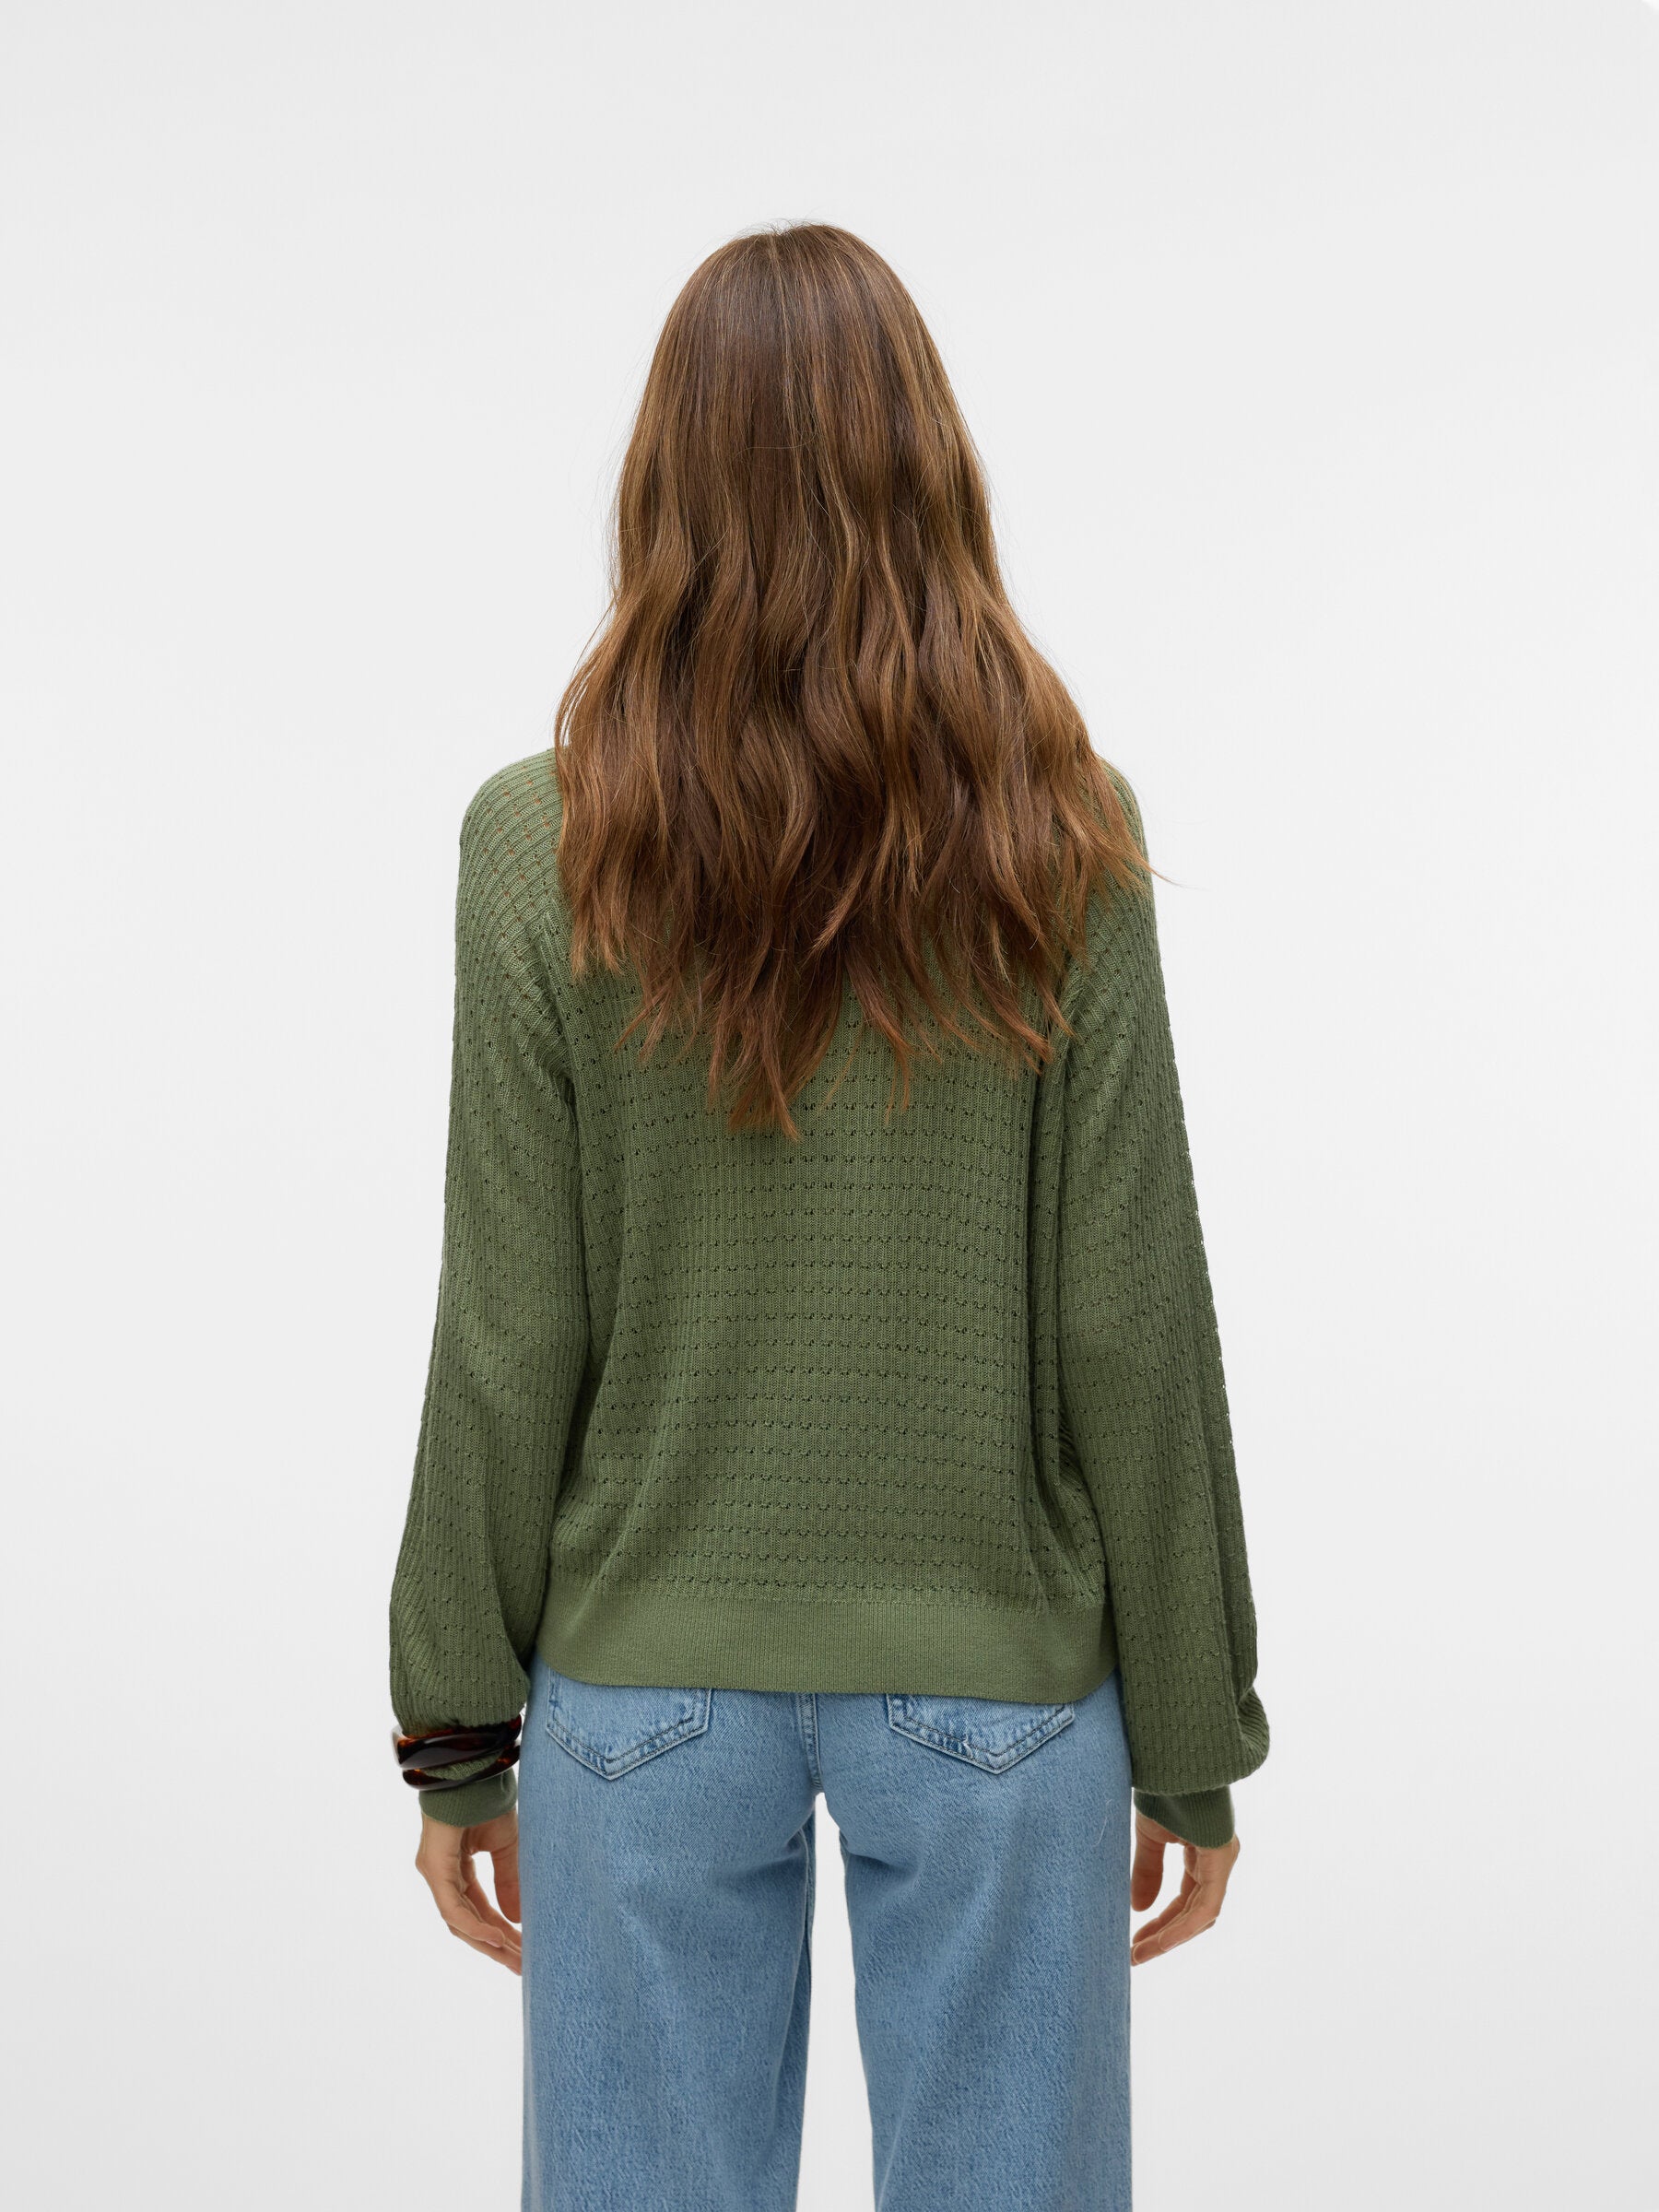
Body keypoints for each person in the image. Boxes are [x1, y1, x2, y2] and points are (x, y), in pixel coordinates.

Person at [388, 220, 1268, 2212]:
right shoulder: (1063, 831)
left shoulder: (543, 842)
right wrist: (1192, 1735)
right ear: (930, 474)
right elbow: (1130, 1314)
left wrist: (456, 1731)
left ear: (661, 482)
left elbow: (510, 1328)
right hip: (999, 1689)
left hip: (640, 1695)